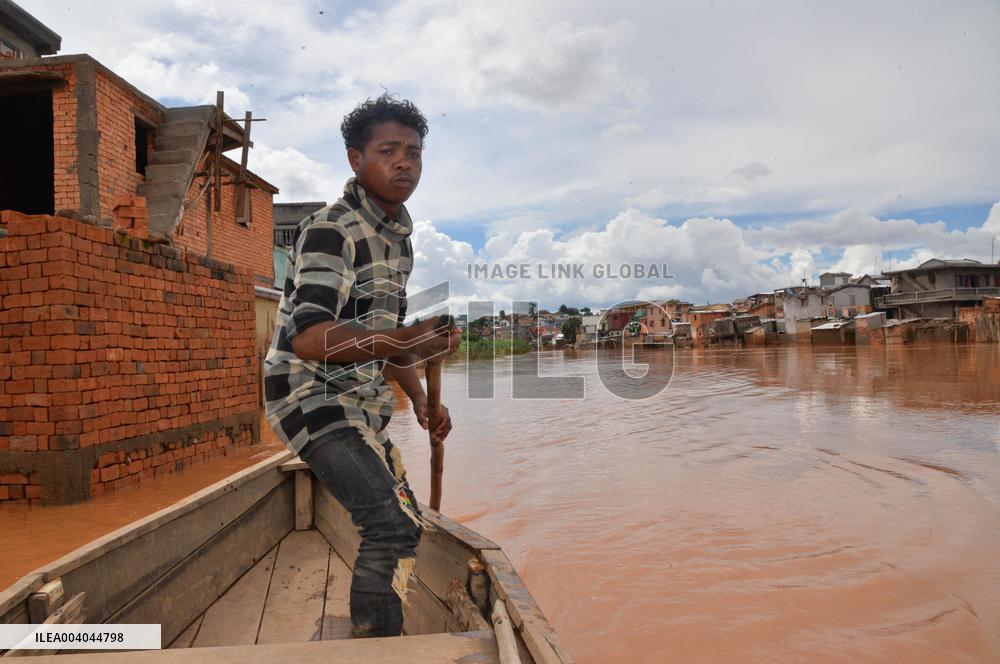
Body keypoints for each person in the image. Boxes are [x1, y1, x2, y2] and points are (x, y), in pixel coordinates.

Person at [263, 93, 461, 638]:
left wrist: (422, 400)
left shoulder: (400, 244)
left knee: (406, 521)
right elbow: (310, 338)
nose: (404, 163)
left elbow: (387, 342)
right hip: (310, 395)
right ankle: (376, 645)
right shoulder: (333, 228)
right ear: (356, 159)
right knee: (391, 525)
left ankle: (380, 628)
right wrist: (409, 337)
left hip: (362, 402)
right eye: (388, 151)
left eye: (414, 153)